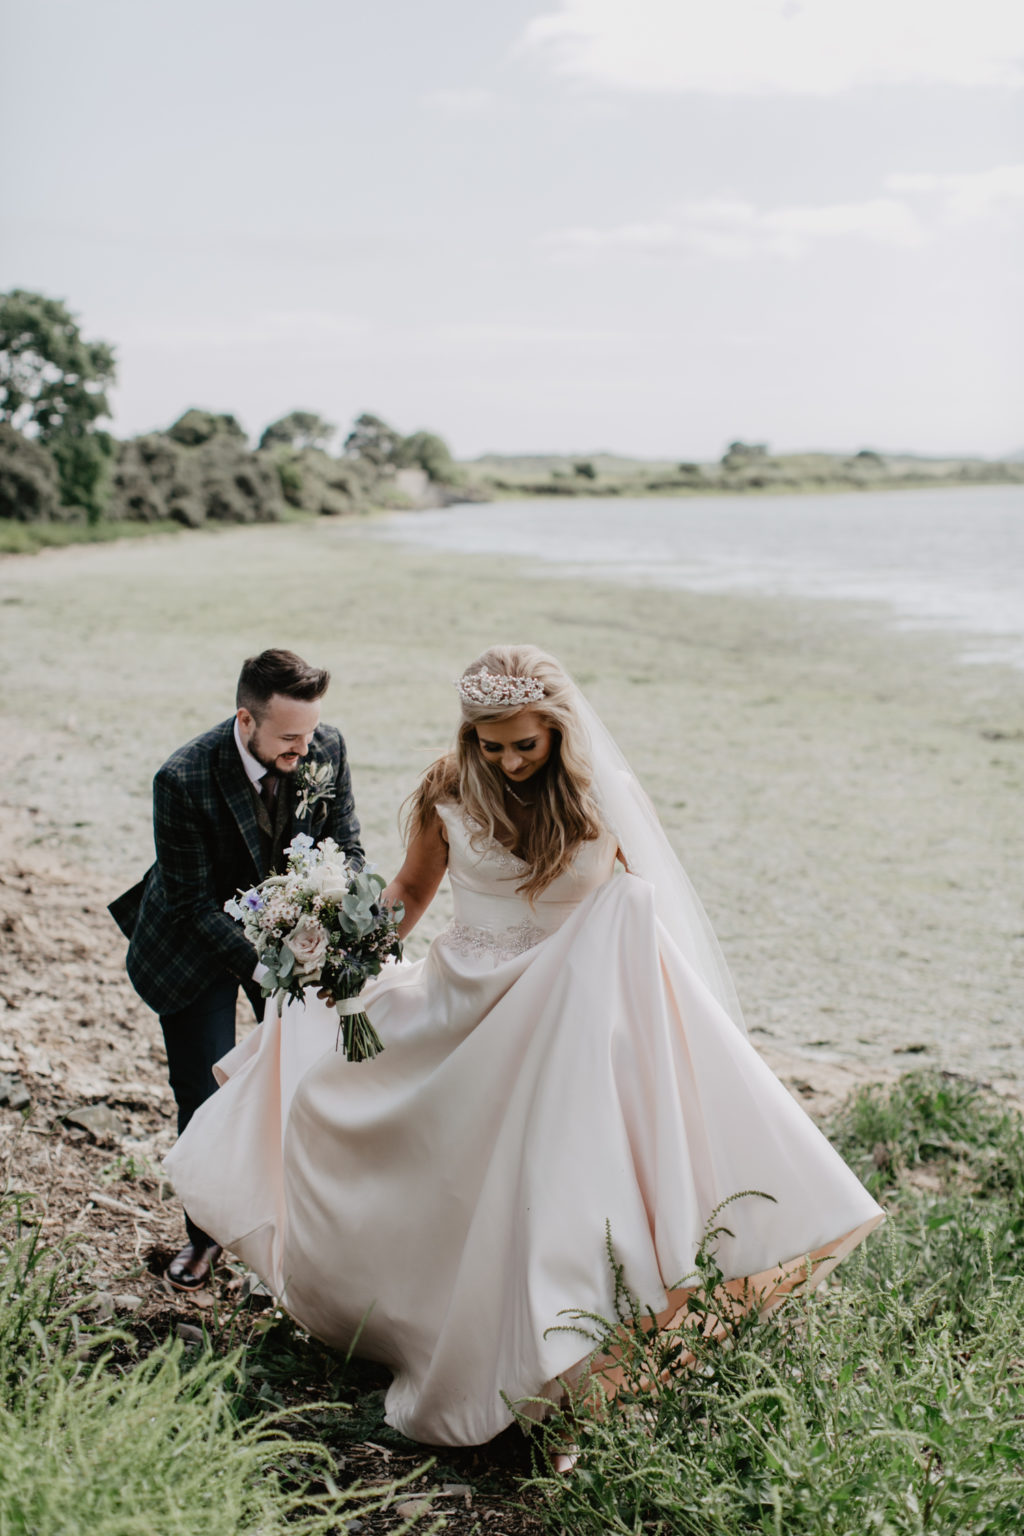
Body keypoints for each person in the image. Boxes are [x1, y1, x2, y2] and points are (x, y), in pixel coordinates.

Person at [164, 644, 883, 1445]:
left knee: (554, 1187)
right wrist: (342, 958)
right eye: (490, 742)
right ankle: (407, 1324)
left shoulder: (603, 802)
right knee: (334, 1101)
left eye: (524, 744)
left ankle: (554, 1377)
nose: (506, 760)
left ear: (559, 732)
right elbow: (408, 891)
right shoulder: (448, 785)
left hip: (571, 1015)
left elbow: (649, 912)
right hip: (462, 998)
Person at [110, 648, 363, 1290]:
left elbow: (348, 846)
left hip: (291, 941)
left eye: (308, 734)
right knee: (204, 1096)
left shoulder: (323, 745)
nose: (303, 751)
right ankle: (204, 1237)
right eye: (288, 738)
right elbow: (191, 904)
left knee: (309, 1080)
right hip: (193, 949)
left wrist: (331, 920)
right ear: (246, 721)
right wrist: (269, 965)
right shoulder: (184, 778)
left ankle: (297, 1231)